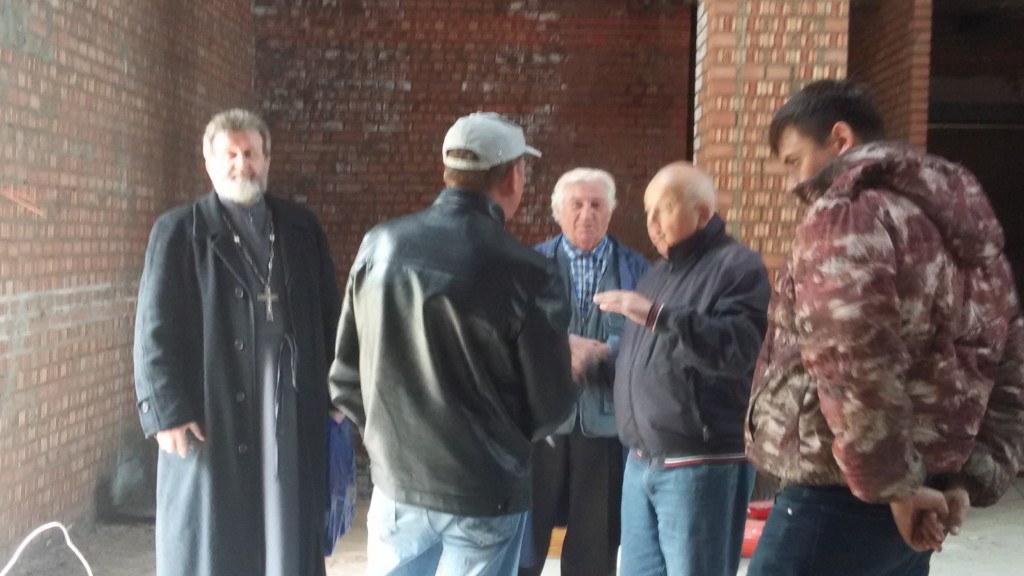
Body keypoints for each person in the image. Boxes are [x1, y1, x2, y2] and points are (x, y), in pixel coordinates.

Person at [745, 79, 1024, 576]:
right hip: (924, 490)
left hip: (845, 491)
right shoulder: (973, 231)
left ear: (840, 139)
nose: (790, 182)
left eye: (793, 160)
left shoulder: (847, 213)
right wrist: (966, 479)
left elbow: (852, 358)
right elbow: (1007, 362)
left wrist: (893, 486)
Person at [329, 112, 578, 576]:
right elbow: (552, 408)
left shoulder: (379, 245)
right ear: (513, 176)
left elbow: (345, 376)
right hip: (486, 491)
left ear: (448, 172)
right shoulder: (529, 272)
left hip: (398, 483)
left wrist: (389, 443)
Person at [133, 109, 341, 576]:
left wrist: (337, 391)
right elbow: (153, 329)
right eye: (229, 155)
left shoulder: (301, 228)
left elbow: (329, 314)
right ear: (209, 163)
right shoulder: (178, 232)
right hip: (213, 403)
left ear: (267, 160)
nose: (241, 165)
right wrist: (166, 410)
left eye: (250, 153)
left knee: (286, 518)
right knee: (215, 534)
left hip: (288, 400)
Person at [593, 162, 771, 576]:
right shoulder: (657, 275)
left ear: (702, 214)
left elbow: (738, 349)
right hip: (641, 461)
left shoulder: (737, 267)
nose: (653, 223)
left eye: (666, 208)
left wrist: (657, 316)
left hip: (700, 464)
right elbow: (653, 365)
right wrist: (594, 362)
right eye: (648, 211)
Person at [518, 168, 649, 576]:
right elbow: (510, 333)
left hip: (606, 426)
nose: (586, 214)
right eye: (576, 204)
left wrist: (610, 351)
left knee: (595, 547)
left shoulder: (638, 269)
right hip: (540, 424)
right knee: (524, 544)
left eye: (596, 204)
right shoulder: (528, 264)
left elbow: (652, 339)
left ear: (611, 211)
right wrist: (560, 349)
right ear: (558, 211)